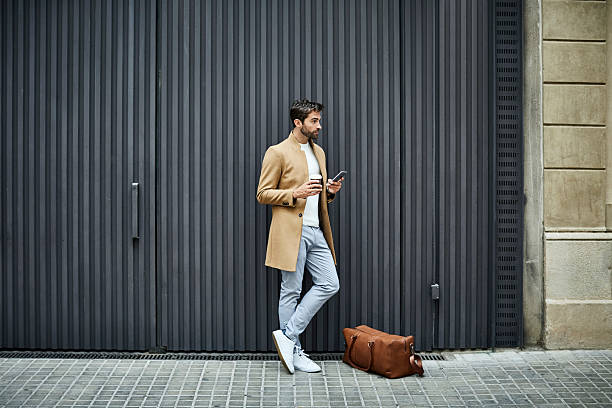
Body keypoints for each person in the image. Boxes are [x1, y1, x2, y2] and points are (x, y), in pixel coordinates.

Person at [256, 99, 344, 374]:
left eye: (319, 120)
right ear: (298, 123)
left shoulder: (319, 153)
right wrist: (294, 193)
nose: (319, 125)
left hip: (316, 230)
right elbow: (263, 193)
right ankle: (293, 351)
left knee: (330, 284)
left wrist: (329, 192)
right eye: (314, 121)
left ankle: (288, 336)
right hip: (291, 232)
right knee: (291, 290)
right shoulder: (277, 152)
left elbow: (318, 196)